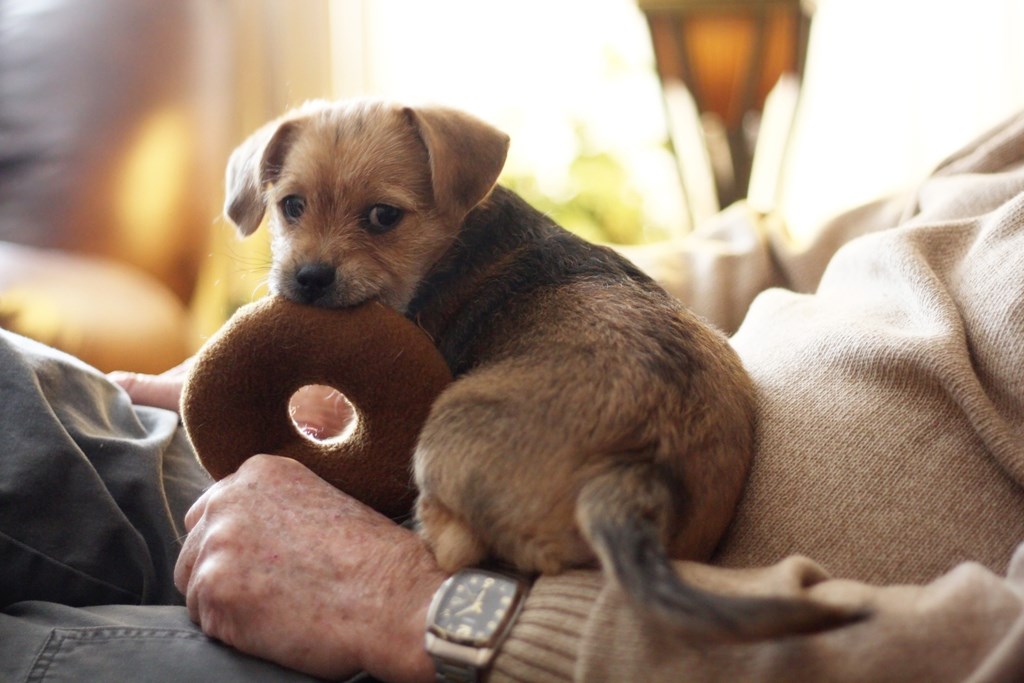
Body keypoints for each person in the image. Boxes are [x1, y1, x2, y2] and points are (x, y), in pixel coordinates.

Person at [2, 109, 1023, 683]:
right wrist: (315, 346)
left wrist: (438, 608)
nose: (318, 250)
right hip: (459, 437)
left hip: (517, 622)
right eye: (296, 211)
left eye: (378, 217)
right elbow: (768, 252)